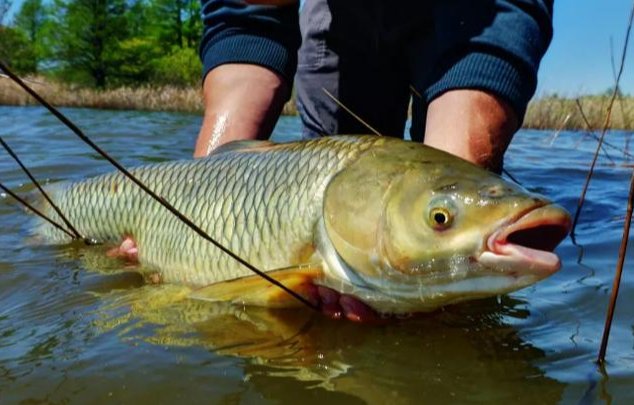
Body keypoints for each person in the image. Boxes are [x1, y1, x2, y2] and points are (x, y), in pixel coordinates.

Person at [195, 0, 553, 173]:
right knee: (336, 173)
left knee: (451, 212)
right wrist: (201, 200)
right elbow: (246, 24)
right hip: (344, 13)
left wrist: (445, 209)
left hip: (469, 10)